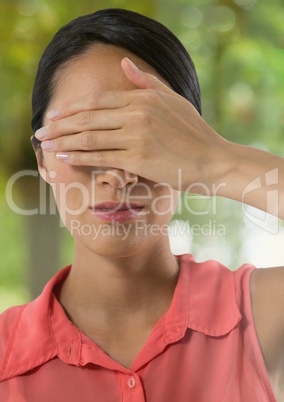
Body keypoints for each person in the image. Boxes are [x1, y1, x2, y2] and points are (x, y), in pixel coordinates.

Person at [0, 8, 283, 402]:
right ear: (42, 160)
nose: (118, 175)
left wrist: (215, 162)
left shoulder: (262, 316)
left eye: (144, 138)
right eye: (85, 137)